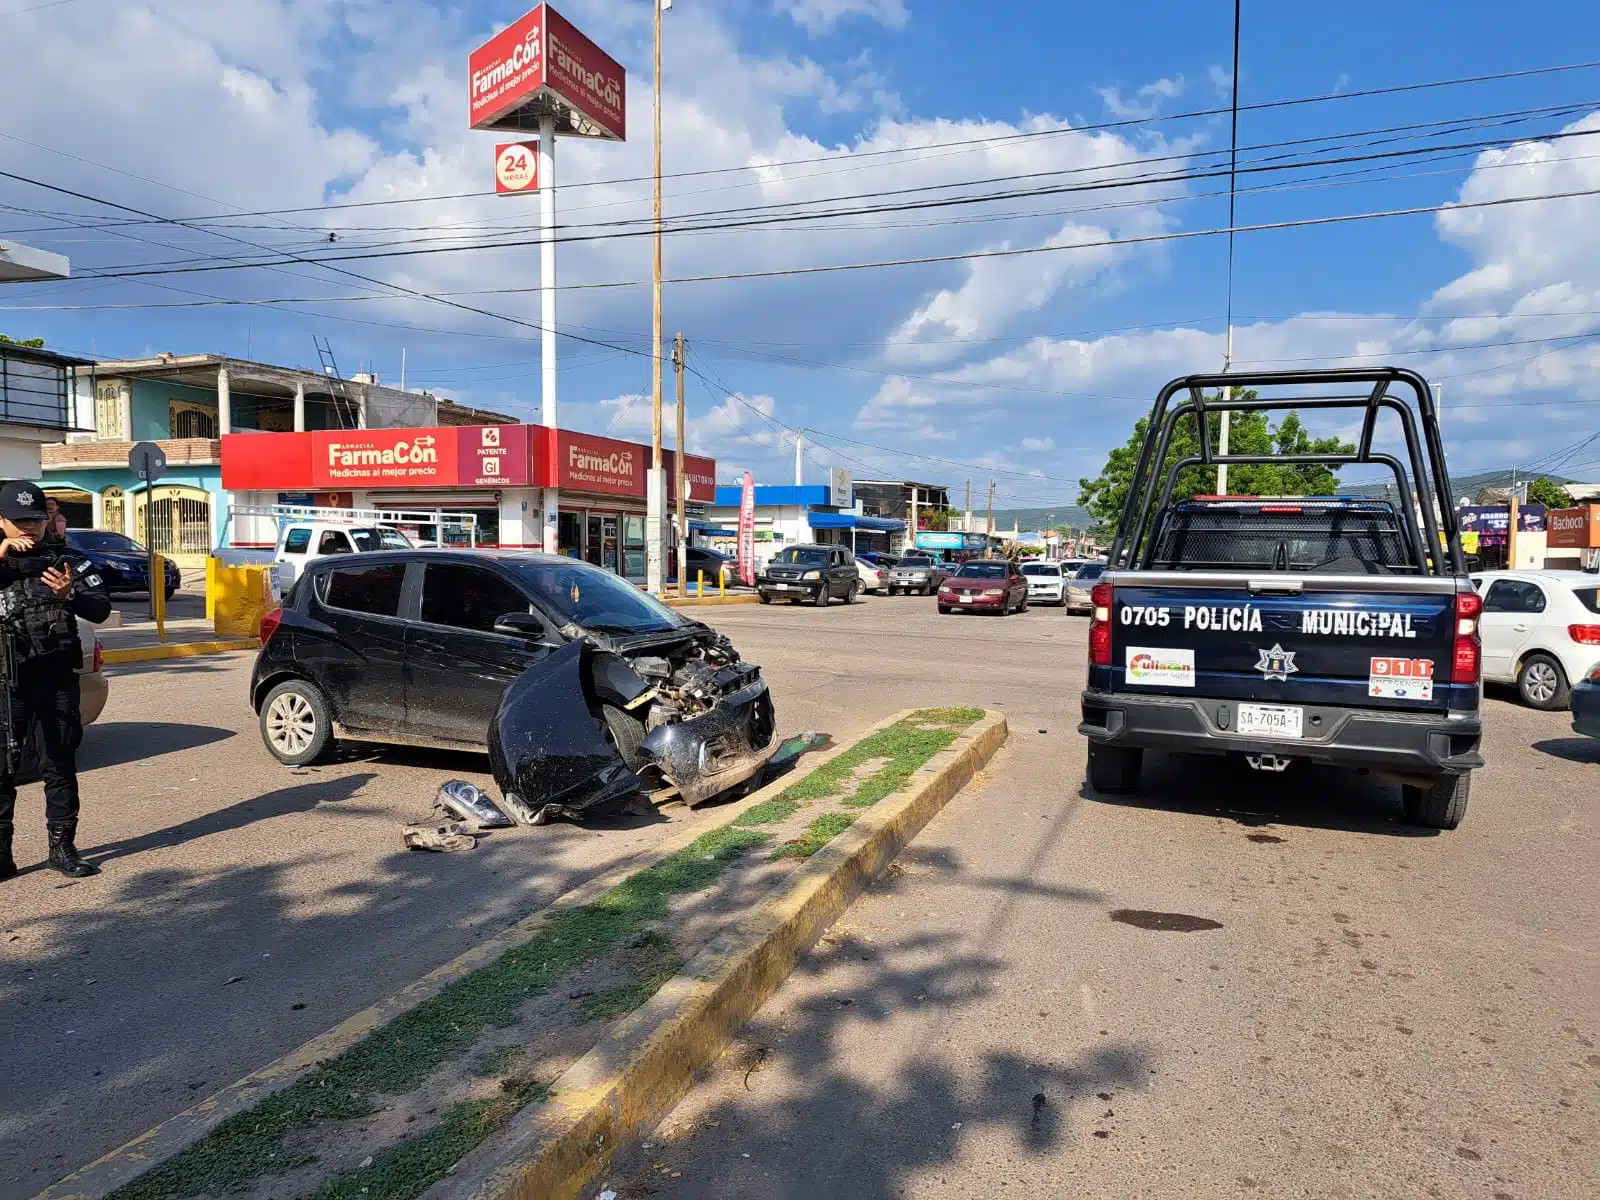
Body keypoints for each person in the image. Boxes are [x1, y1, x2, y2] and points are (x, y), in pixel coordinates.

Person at [0, 480, 111, 881]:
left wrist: (70, 596)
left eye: (34, 519)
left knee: (59, 764)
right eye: (18, 521)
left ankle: (62, 849)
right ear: (2, 521)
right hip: (7, 681)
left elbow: (100, 609)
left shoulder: (69, 561)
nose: (27, 528)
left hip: (57, 677)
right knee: (2, 769)